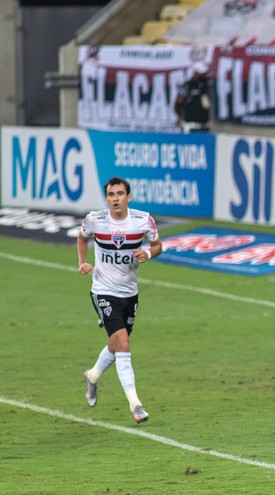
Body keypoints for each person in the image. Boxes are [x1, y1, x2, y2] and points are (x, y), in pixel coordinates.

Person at [77, 177, 163, 424]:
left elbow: (158, 245)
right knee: (123, 344)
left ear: (128, 197)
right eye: (111, 194)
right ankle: (136, 404)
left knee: (115, 345)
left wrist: (147, 252)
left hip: (129, 293)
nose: (115, 198)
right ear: (107, 198)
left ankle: (93, 376)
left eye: (120, 194)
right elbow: (82, 238)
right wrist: (82, 262)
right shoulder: (96, 220)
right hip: (103, 291)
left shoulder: (142, 220)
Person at [174, 62, 212, 133]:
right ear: (195, 73)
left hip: (204, 126)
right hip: (189, 126)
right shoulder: (185, 86)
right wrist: (181, 117)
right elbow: (177, 105)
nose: (203, 75)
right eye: (201, 73)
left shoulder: (207, 86)